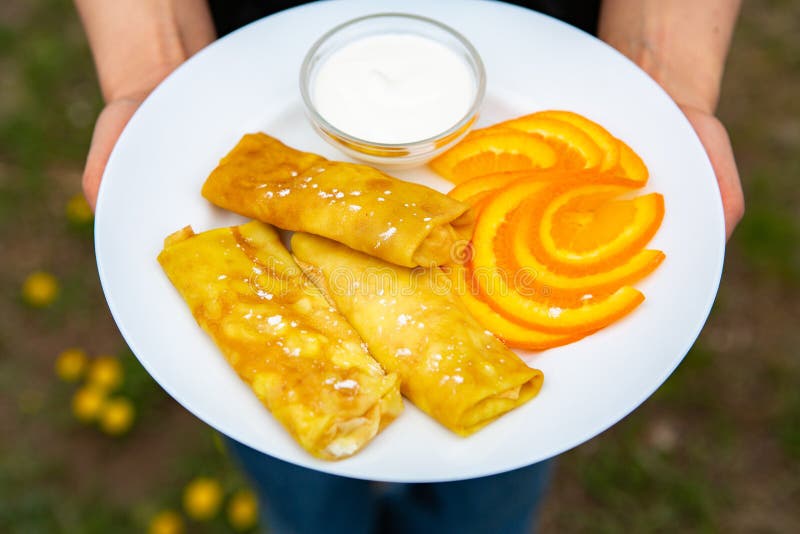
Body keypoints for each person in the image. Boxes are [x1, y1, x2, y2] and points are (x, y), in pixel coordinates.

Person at [74, 1, 744, 532]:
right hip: (243, 47)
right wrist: (151, 74)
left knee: (487, 500)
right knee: (303, 498)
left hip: (555, 37)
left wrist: (665, 81)